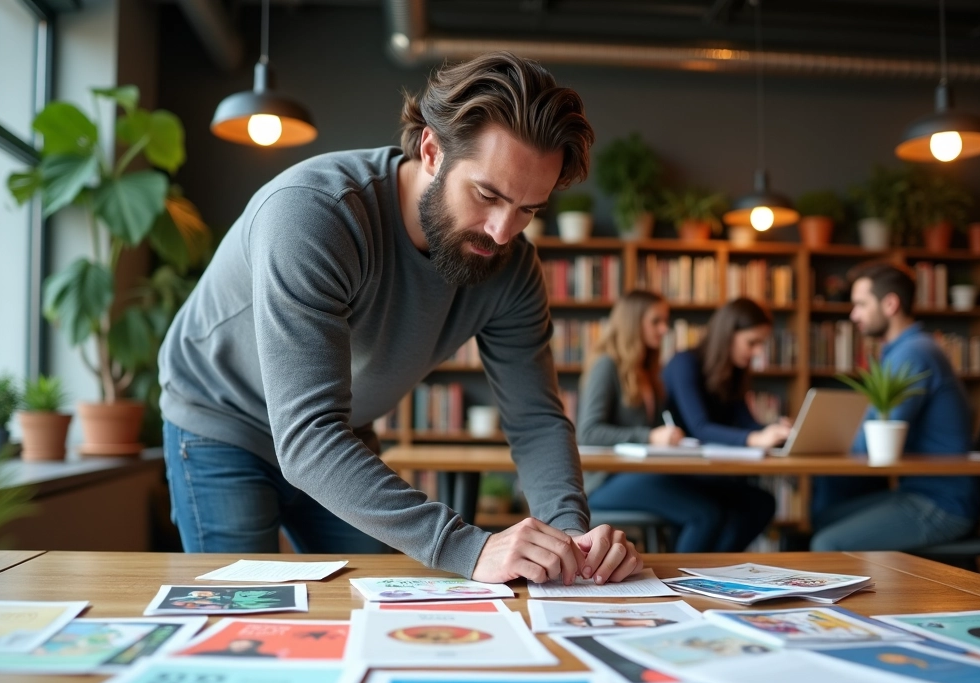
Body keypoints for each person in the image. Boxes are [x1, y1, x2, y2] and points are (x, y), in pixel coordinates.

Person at [158, 52, 641, 587]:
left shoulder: (511, 267)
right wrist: (470, 548)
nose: (503, 231)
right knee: (247, 608)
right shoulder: (315, 214)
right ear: (432, 151)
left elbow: (536, 421)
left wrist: (571, 538)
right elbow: (306, 436)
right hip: (223, 422)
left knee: (380, 600)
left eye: (528, 209)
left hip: (338, 434)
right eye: (487, 195)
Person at [577, 291, 773, 552]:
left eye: (665, 321)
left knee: (727, 504)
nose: (664, 329)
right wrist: (649, 436)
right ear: (633, 322)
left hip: (641, 473)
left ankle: (711, 570)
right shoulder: (606, 365)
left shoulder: (646, 372)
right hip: (604, 482)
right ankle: (684, 576)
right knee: (706, 514)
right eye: (656, 321)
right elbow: (588, 432)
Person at [810, 261, 977, 551]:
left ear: (890, 304)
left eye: (861, 304)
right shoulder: (905, 350)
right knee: (824, 519)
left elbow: (874, 441)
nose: (853, 315)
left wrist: (822, 440)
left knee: (826, 544)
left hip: (941, 503)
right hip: (916, 492)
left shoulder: (913, 354)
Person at [662, 298, 793, 450]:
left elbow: (747, 424)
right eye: (751, 342)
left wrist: (777, 431)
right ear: (727, 335)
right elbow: (700, 428)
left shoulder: (734, 372)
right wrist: (756, 439)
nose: (758, 352)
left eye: (761, 343)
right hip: (681, 460)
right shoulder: (683, 364)